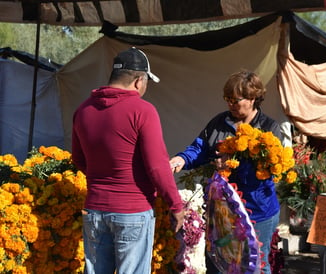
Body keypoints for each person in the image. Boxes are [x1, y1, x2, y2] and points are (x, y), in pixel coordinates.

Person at [72, 47, 184, 274]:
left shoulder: (83, 111)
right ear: (138, 80)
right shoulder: (143, 111)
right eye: (146, 83)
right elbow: (157, 166)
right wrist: (176, 205)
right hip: (133, 210)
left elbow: (80, 160)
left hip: (94, 210)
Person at [170, 70, 284, 274]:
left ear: (253, 98)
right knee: (218, 262)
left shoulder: (269, 128)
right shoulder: (219, 123)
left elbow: (269, 171)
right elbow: (200, 148)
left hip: (257, 210)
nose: (230, 104)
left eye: (235, 100)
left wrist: (233, 162)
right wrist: (182, 159)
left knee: (256, 264)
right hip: (222, 212)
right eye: (227, 99)